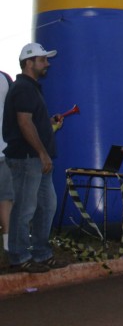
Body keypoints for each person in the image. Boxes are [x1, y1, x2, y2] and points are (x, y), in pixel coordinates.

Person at [2, 43, 67, 272]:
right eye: (43, 60)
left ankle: (41, 253)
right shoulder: (23, 88)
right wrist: (41, 152)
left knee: (46, 206)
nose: (47, 63)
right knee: (25, 208)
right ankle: (19, 257)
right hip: (27, 159)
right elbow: (24, 122)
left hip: (36, 159)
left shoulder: (29, 88)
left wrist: (47, 123)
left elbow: (28, 121)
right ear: (29, 63)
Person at [0, 69, 15, 260]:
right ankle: (8, 245)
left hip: (4, 150)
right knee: (6, 199)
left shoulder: (4, 79)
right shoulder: (4, 78)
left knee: (6, 198)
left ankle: (8, 245)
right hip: (5, 149)